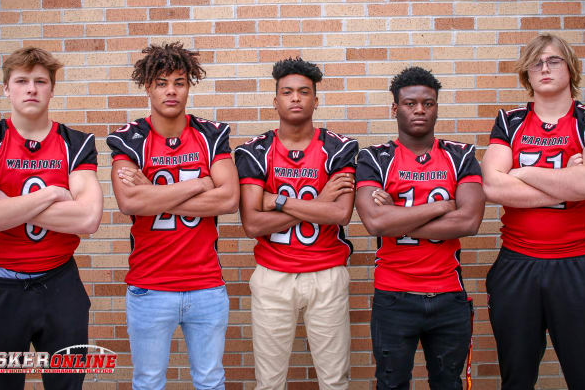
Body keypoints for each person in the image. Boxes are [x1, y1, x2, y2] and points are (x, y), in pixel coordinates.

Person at [0, 47, 103, 390]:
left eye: (40, 81)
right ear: (6, 88)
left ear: (52, 89)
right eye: (21, 81)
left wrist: (6, 205)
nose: (31, 89)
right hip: (0, 291)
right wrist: (52, 193)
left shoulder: (77, 143)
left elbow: (87, 219)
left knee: (67, 385)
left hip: (61, 286)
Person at [481, 34, 585, 390]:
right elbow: (493, 187)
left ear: (570, 68)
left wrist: (522, 173)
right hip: (516, 264)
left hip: (577, 264)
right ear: (526, 73)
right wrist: (565, 181)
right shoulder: (509, 121)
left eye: (554, 60)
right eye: (536, 62)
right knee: (516, 378)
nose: (544, 68)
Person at [107, 42, 239, 390]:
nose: (171, 90)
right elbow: (130, 201)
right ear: (147, 86)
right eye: (162, 82)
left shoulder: (211, 135)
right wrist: (200, 182)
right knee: (149, 382)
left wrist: (154, 193)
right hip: (149, 286)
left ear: (189, 85)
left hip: (206, 284)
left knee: (210, 380)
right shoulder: (130, 139)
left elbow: (228, 199)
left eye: (179, 82)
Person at [355, 66, 485, 390]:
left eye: (428, 103)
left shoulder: (460, 155)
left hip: (449, 295)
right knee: (391, 383)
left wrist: (398, 216)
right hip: (394, 295)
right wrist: (442, 206)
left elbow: (469, 221)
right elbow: (374, 222)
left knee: (448, 384)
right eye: (410, 103)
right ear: (395, 108)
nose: (420, 110)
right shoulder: (375, 158)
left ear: (436, 107)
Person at [234, 57, 358, 390]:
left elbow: (341, 214)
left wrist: (278, 199)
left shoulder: (339, 147)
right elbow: (252, 224)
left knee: (335, 381)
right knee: (269, 383)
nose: (296, 98)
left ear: (315, 100)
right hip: (273, 276)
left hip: (327, 274)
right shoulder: (255, 151)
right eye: (287, 92)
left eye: (304, 92)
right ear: (275, 101)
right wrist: (320, 202)